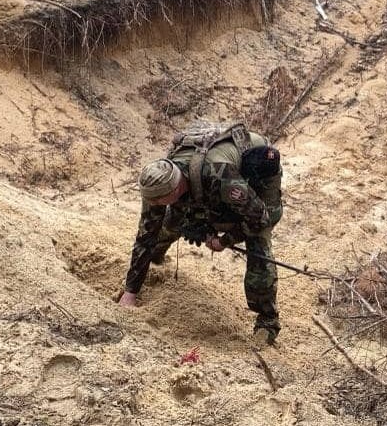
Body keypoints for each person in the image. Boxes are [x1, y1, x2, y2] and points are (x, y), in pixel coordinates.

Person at [118, 124, 283, 344]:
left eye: (159, 202)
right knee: (171, 222)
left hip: (258, 168)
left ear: (175, 190)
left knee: (258, 242)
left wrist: (225, 240)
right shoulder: (157, 182)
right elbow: (146, 233)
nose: (154, 205)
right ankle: (155, 261)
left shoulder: (219, 174)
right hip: (207, 182)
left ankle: (267, 322)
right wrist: (130, 291)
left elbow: (260, 217)